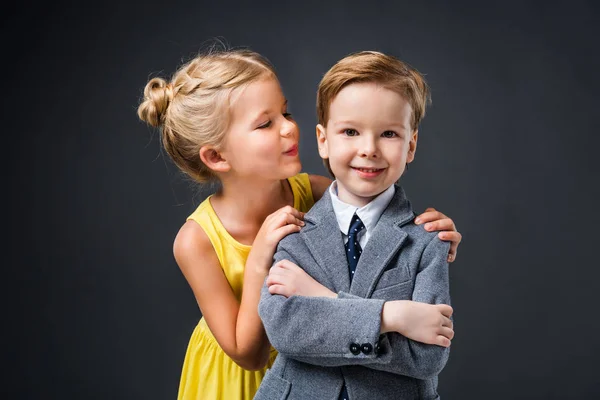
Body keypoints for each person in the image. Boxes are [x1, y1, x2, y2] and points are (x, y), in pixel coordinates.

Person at [136, 47, 462, 400]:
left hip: (318, 373)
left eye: (285, 112)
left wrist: (432, 233)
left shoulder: (316, 195)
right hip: (236, 378)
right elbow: (250, 352)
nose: (290, 127)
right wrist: (261, 257)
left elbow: (375, 214)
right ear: (216, 156)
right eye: (266, 123)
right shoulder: (195, 240)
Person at [257, 51, 455, 400]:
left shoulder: (427, 241)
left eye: (389, 134)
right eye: (350, 131)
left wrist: (322, 300)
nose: (369, 149)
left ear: (411, 145)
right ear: (323, 140)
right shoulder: (295, 234)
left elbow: (426, 356)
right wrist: (390, 315)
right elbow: (286, 332)